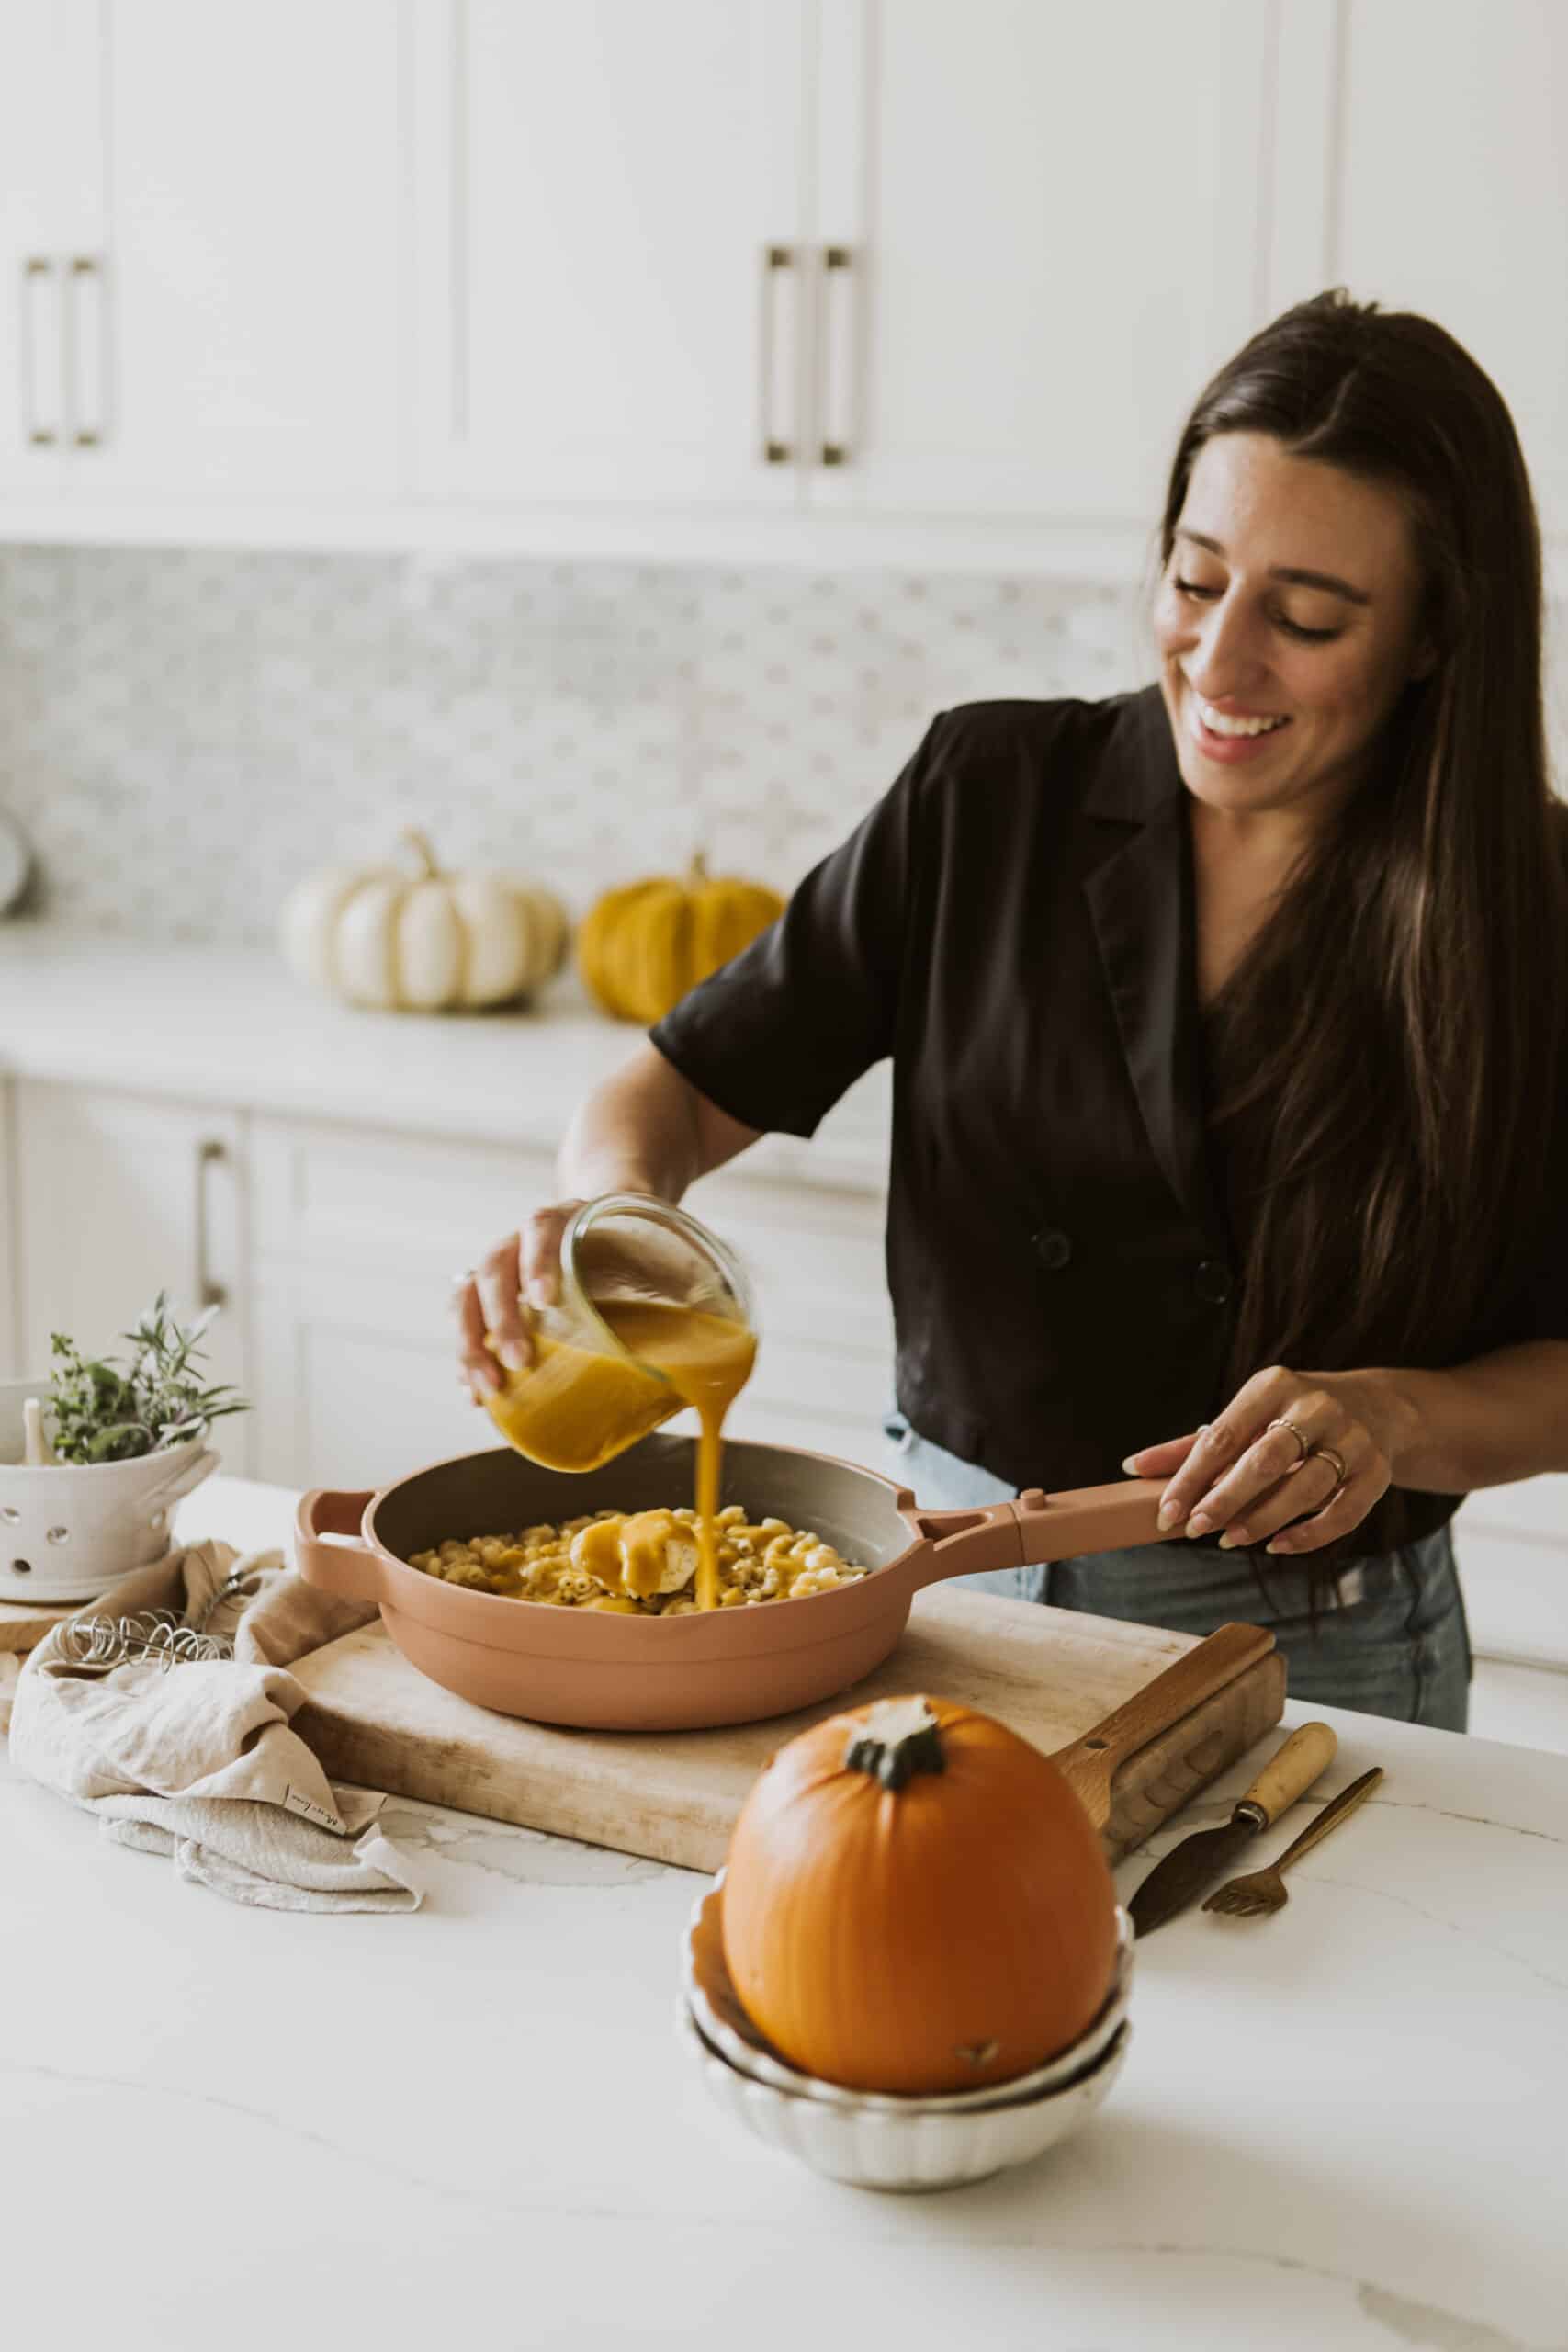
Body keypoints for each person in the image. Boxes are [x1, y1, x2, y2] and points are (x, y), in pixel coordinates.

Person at [457, 290, 1568, 1732]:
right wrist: (603, 1219)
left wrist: (1399, 1417)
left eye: (1305, 619)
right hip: (942, 1593)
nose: (1220, 665)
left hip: (1319, 1651)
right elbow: (667, 1092)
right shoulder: (987, 795)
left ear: (1432, 639)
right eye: (1194, 578)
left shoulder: (1537, 911)